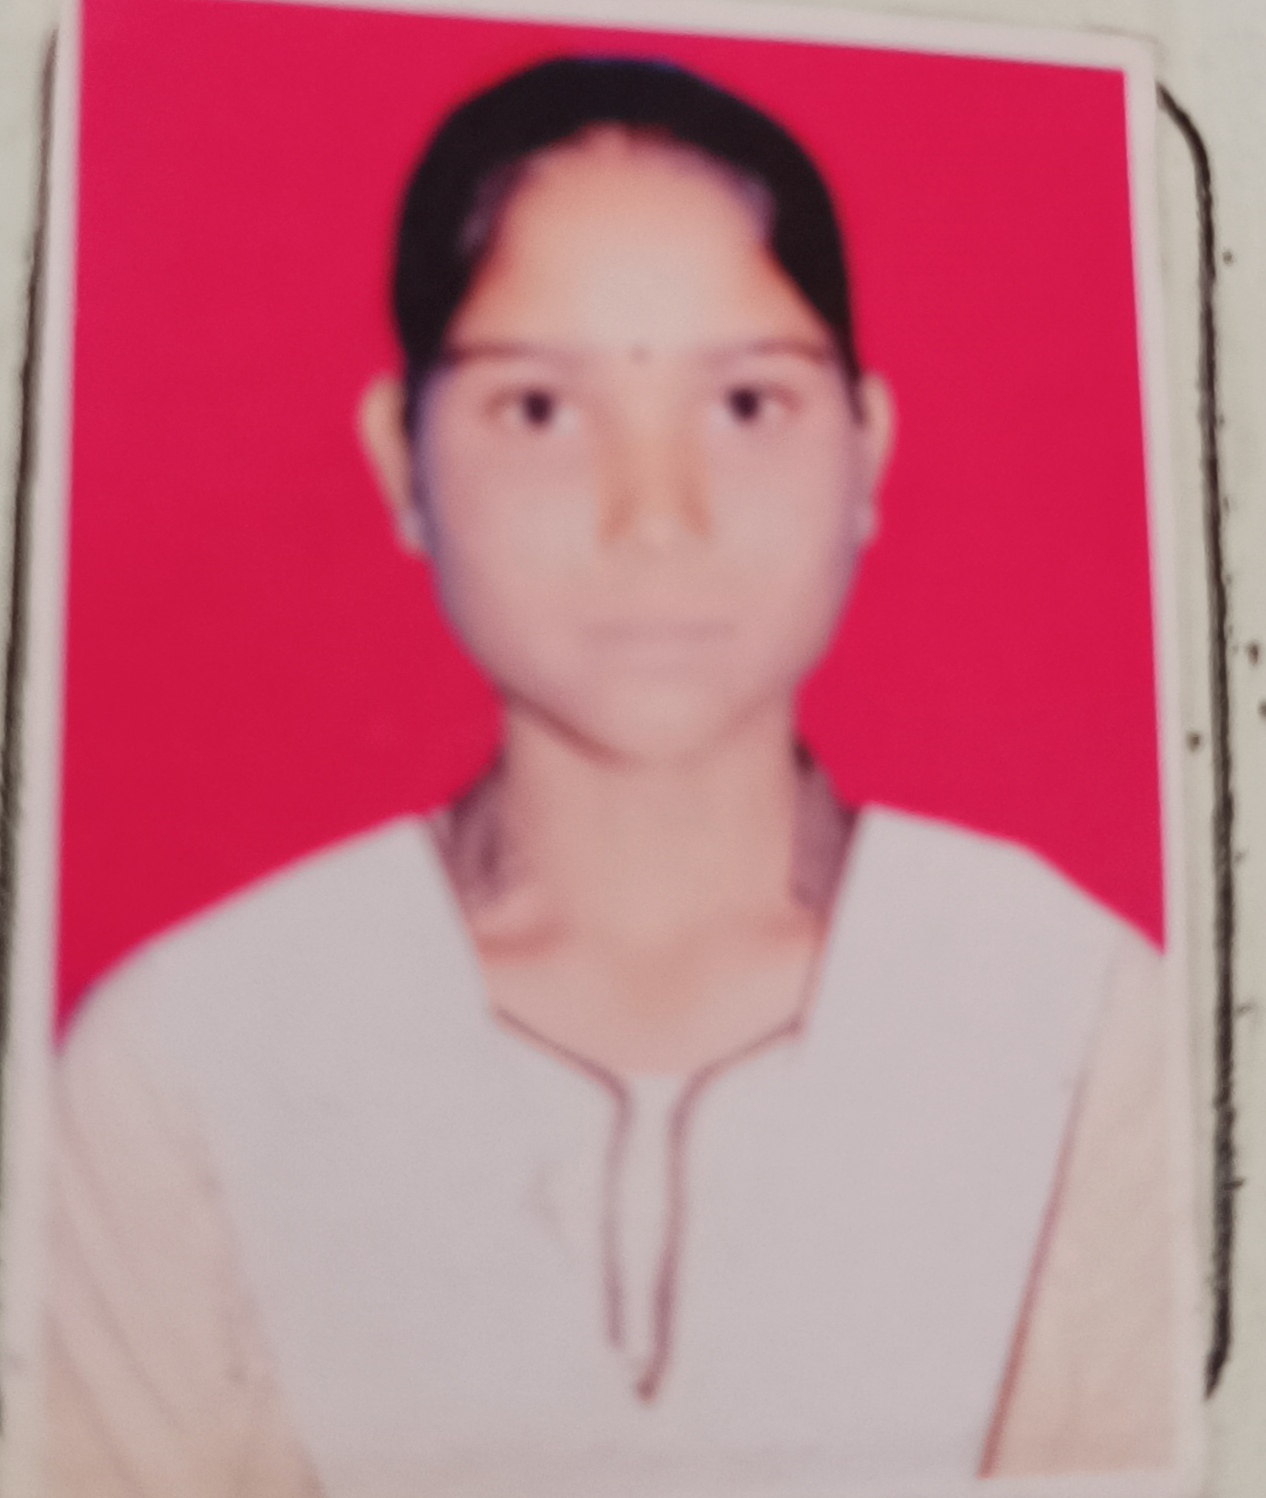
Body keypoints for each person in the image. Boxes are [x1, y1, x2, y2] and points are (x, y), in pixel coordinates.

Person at [46, 57, 1180, 1498]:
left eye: (747, 404)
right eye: (539, 409)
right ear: (401, 458)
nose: (656, 518)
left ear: (868, 448)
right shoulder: (192, 1054)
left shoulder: (1080, 1018)